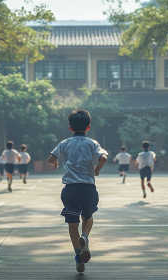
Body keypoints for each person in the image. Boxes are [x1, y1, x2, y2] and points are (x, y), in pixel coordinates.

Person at [48, 109, 108, 273]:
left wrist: (55, 165)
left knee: (73, 224)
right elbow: (104, 157)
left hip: (70, 189)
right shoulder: (93, 143)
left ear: (70, 128)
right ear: (88, 127)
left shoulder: (64, 143)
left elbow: (51, 159)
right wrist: (97, 170)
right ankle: (86, 237)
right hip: (88, 188)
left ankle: (78, 258)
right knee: (88, 217)